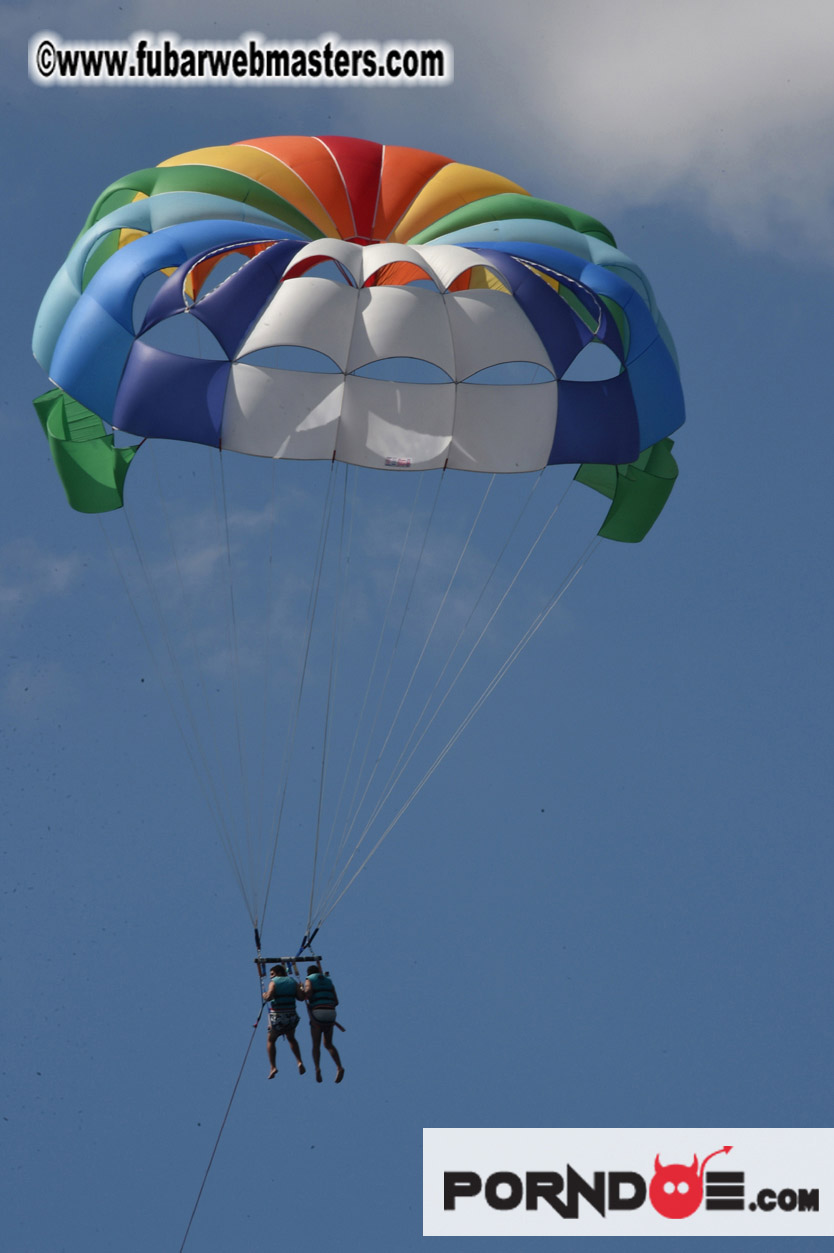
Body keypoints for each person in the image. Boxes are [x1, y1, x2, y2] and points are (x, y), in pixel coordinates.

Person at [303, 962, 344, 1084]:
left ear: (309, 973)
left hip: (318, 1014)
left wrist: (302, 990)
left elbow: (308, 993)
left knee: (316, 1044)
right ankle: (339, 1067)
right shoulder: (329, 981)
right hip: (331, 1014)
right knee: (328, 1044)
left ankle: (317, 1068)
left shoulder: (309, 980)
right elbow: (336, 1001)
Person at [263, 963, 305, 1080]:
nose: (271, 977)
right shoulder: (293, 982)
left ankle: (273, 1067)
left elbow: (269, 997)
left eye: (272, 974)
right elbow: (301, 998)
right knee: (291, 1038)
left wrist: (264, 995)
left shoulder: (274, 982)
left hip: (278, 1018)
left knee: (271, 1040)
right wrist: (301, 989)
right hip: (291, 1017)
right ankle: (299, 1061)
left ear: (279, 973)